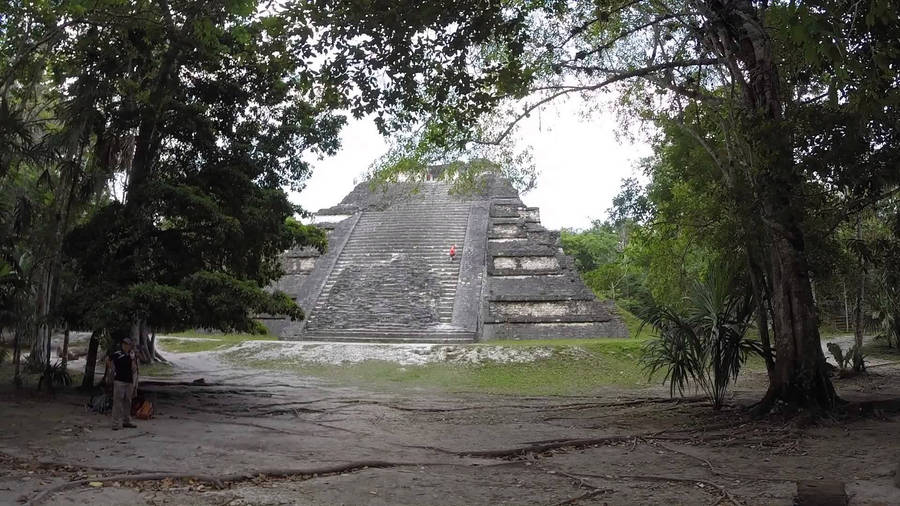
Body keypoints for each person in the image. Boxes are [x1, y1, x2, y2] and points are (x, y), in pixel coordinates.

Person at [107, 337, 139, 430]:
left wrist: (133, 359)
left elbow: (134, 369)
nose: (126, 346)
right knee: (118, 402)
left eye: (128, 344)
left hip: (129, 381)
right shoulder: (117, 354)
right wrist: (112, 369)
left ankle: (127, 421)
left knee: (128, 401)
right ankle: (115, 423)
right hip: (119, 381)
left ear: (130, 346)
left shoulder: (132, 355)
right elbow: (108, 359)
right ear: (122, 345)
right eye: (124, 344)